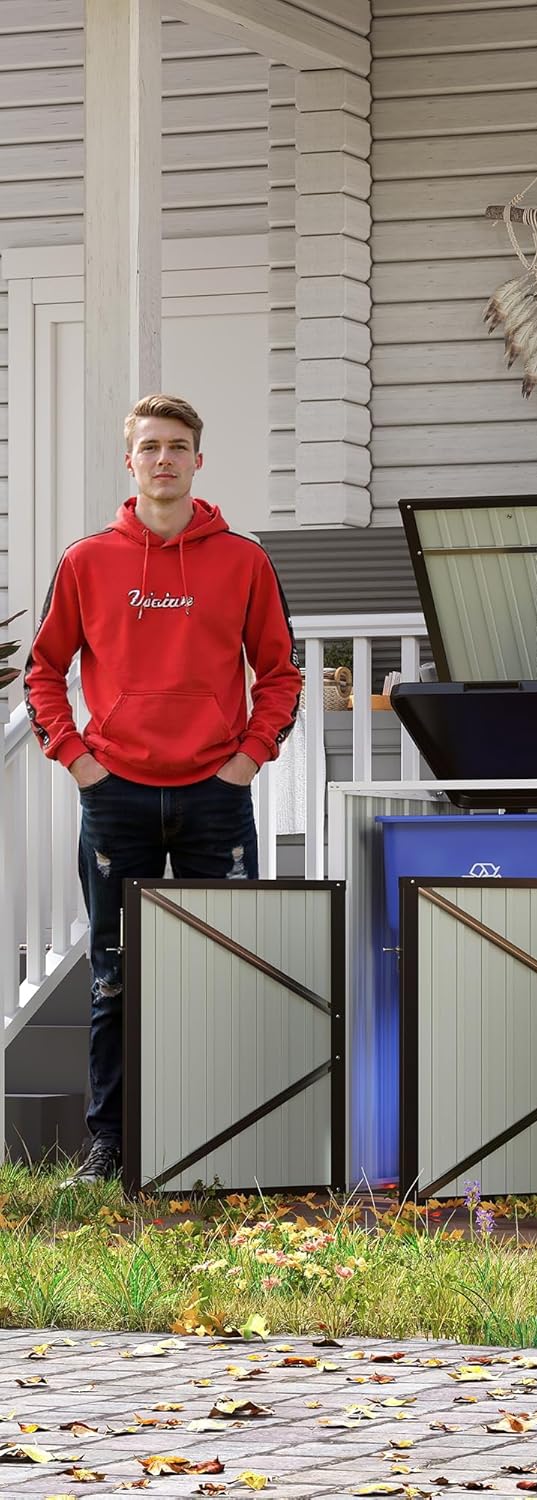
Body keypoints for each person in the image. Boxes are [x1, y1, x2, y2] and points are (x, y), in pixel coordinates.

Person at [23, 394, 302, 1185]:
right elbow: (44, 670)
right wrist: (76, 758)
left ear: (198, 460)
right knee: (113, 978)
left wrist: (248, 758)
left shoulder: (243, 561)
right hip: (116, 795)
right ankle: (110, 1148)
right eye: (150, 446)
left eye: (177, 446)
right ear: (131, 462)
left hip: (217, 794)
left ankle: (226, 1146)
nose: (164, 459)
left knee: (229, 971)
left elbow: (279, 673)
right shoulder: (87, 562)